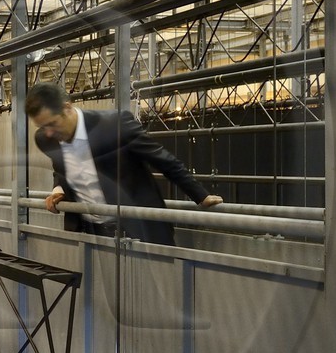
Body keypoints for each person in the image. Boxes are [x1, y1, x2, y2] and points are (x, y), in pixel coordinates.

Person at [25, 80, 221, 246]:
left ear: (67, 108)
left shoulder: (114, 125)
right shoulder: (45, 139)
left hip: (138, 229)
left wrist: (200, 195)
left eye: (52, 124)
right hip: (90, 231)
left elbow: (162, 159)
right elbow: (62, 167)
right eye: (42, 126)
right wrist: (58, 188)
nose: (48, 132)